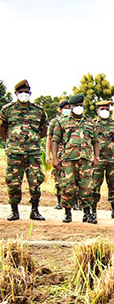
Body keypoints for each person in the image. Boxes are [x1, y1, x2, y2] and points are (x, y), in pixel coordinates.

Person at [0, 79, 48, 221]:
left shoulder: (38, 110)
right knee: (14, 182)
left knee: (35, 182)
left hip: (33, 153)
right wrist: (11, 141)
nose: (24, 95)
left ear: (30, 93)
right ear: (16, 93)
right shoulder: (7, 110)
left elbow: (44, 130)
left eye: (26, 92)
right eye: (21, 92)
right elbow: (2, 129)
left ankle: (35, 211)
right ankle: (14, 211)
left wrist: (33, 141)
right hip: (14, 153)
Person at [51, 94, 99, 224]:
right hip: (68, 160)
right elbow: (55, 140)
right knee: (68, 186)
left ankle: (87, 214)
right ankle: (67, 213)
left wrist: (96, 157)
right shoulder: (61, 122)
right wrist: (55, 158)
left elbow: (95, 141)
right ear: (71, 106)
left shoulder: (90, 123)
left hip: (86, 159)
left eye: (81, 106)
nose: (79, 108)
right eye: (77, 106)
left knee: (87, 187)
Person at [92, 100, 114, 219]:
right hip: (97, 160)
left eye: (107, 108)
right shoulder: (93, 124)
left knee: (113, 184)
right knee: (95, 185)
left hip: (112, 160)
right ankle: (93, 211)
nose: (104, 111)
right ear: (97, 111)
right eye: (102, 109)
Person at [46, 100, 71, 210]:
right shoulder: (55, 121)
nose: (67, 110)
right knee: (58, 178)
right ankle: (59, 200)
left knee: (71, 178)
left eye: (69, 107)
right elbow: (50, 138)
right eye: (65, 108)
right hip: (58, 154)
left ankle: (73, 202)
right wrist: (48, 154)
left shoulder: (73, 121)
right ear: (60, 110)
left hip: (70, 154)